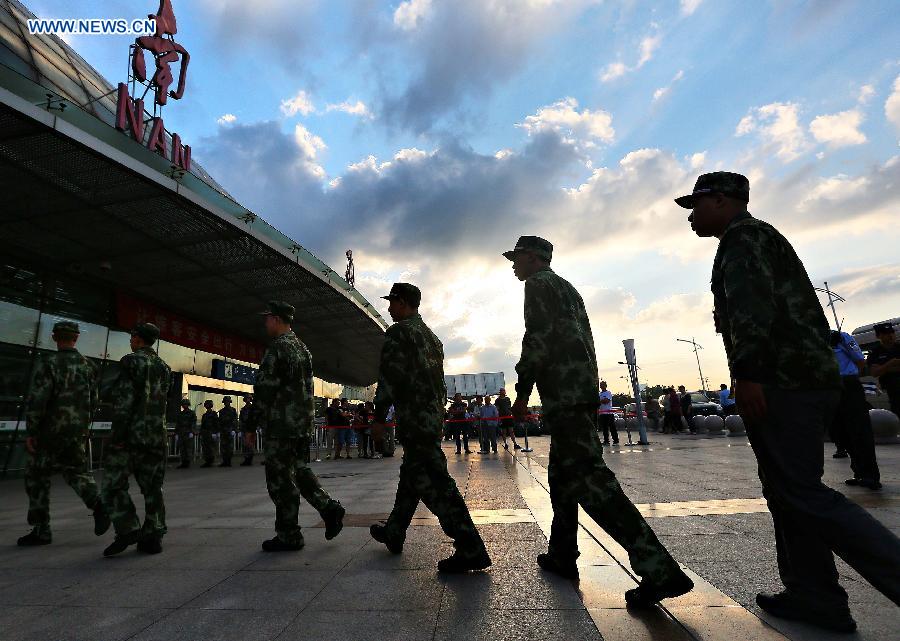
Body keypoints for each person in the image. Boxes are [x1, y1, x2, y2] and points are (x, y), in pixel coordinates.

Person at [680, 170, 900, 631]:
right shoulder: (758, 237)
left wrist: (748, 374)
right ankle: (814, 596)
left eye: (696, 206)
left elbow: (751, 311)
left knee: (800, 491)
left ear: (721, 200)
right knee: (786, 491)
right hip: (801, 377)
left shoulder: (743, 239)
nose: (692, 218)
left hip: (785, 380)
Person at [504, 235, 692, 605]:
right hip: (579, 392)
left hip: (564, 394)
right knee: (561, 477)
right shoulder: (568, 288)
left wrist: (522, 390)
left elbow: (537, 339)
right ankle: (561, 554)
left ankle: (660, 570)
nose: (513, 265)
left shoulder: (539, 285)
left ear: (531, 257)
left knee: (591, 482)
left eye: (516, 258)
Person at [369, 283, 490, 573]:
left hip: (414, 420)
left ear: (403, 302)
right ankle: (394, 531)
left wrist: (379, 418)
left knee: (436, 484)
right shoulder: (431, 337)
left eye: (392, 302)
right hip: (431, 419)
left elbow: (390, 378)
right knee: (411, 475)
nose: (388, 308)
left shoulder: (400, 332)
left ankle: (470, 546)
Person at [254, 301, 345, 551]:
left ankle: (289, 534)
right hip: (300, 425)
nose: (265, 323)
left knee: (280, 480)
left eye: (268, 318)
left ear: (276, 319)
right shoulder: (302, 347)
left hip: (281, 425)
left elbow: (265, 389)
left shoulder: (278, 348)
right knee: (299, 470)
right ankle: (328, 508)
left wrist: (251, 423)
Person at [18, 321, 110, 546]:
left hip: (50, 431)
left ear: (54, 338)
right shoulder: (88, 365)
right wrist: (84, 425)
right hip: (76, 431)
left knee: (36, 476)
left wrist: (32, 431)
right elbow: (94, 400)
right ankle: (98, 505)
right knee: (76, 472)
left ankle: (41, 529)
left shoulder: (48, 363)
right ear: (76, 338)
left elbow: (38, 399)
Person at [101, 323, 171, 556]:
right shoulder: (164, 367)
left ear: (137, 339)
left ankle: (128, 528)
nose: (131, 340)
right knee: (152, 487)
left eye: (132, 336)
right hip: (156, 435)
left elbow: (124, 402)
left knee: (112, 484)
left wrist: (118, 436)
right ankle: (153, 535)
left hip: (131, 435)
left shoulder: (130, 362)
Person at [830, 331, 881, 489]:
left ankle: (870, 475)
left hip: (848, 384)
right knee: (840, 432)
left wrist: (849, 380)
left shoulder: (839, 337)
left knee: (859, 429)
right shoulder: (810, 337)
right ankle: (859, 472)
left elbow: (860, 360)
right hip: (828, 387)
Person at [867, 322, 900, 418]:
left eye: (892, 332)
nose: (890, 335)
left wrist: (885, 368)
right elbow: (874, 372)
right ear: (878, 336)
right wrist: (892, 363)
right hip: (892, 391)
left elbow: (879, 370)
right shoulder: (875, 352)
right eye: (886, 333)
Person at [239, 393, 260, 466]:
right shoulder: (243, 409)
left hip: (251, 429)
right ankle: (246, 459)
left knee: (250, 444)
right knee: (245, 444)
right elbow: (241, 419)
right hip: (245, 429)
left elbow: (256, 419)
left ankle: (250, 459)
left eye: (249, 398)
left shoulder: (253, 408)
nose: (247, 400)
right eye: (246, 398)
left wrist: (255, 427)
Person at [174, 398, 195, 469]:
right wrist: (176, 433)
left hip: (188, 433)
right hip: (181, 433)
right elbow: (178, 424)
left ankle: (187, 462)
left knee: (188, 448)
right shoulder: (180, 414)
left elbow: (193, 423)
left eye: (186, 404)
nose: (184, 405)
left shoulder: (192, 413)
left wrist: (191, 432)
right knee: (182, 449)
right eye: (183, 404)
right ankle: (183, 462)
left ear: (188, 405)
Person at [218, 396, 237, 467]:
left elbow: (235, 420)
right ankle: (224, 461)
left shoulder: (233, 410)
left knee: (230, 446)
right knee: (223, 446)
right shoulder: (222, 411)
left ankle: (228, 461)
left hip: (230, 430)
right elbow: (219, 422)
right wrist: (219, 430)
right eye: (225, 402)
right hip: (223, 431)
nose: (226, 403)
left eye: (228, 401)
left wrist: (234, 429)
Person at [598, 381, 617, 445]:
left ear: (606, 385)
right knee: (604, 428)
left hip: (609, 413)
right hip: (602, 414)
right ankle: (606, 441)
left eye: (603, 385)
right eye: (600, 385)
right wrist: (601, 401)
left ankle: (616, 440)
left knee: (612, 427)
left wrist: (600, 401)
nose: (601, 386)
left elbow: (606, 401)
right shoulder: (599, 394)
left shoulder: (608, 393)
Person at [199, 399, 218, 467]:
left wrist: (215, 433)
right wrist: (201, 433)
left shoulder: (214, 414)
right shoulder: (204, 415)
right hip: (205, 433)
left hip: (211, 432)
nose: (207, 406)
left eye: (208, 405)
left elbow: (216, 424)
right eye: (206, 405)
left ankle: (211, 461)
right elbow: (203, 425)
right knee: (205, 447)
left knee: (211, 448)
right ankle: (207, 461)